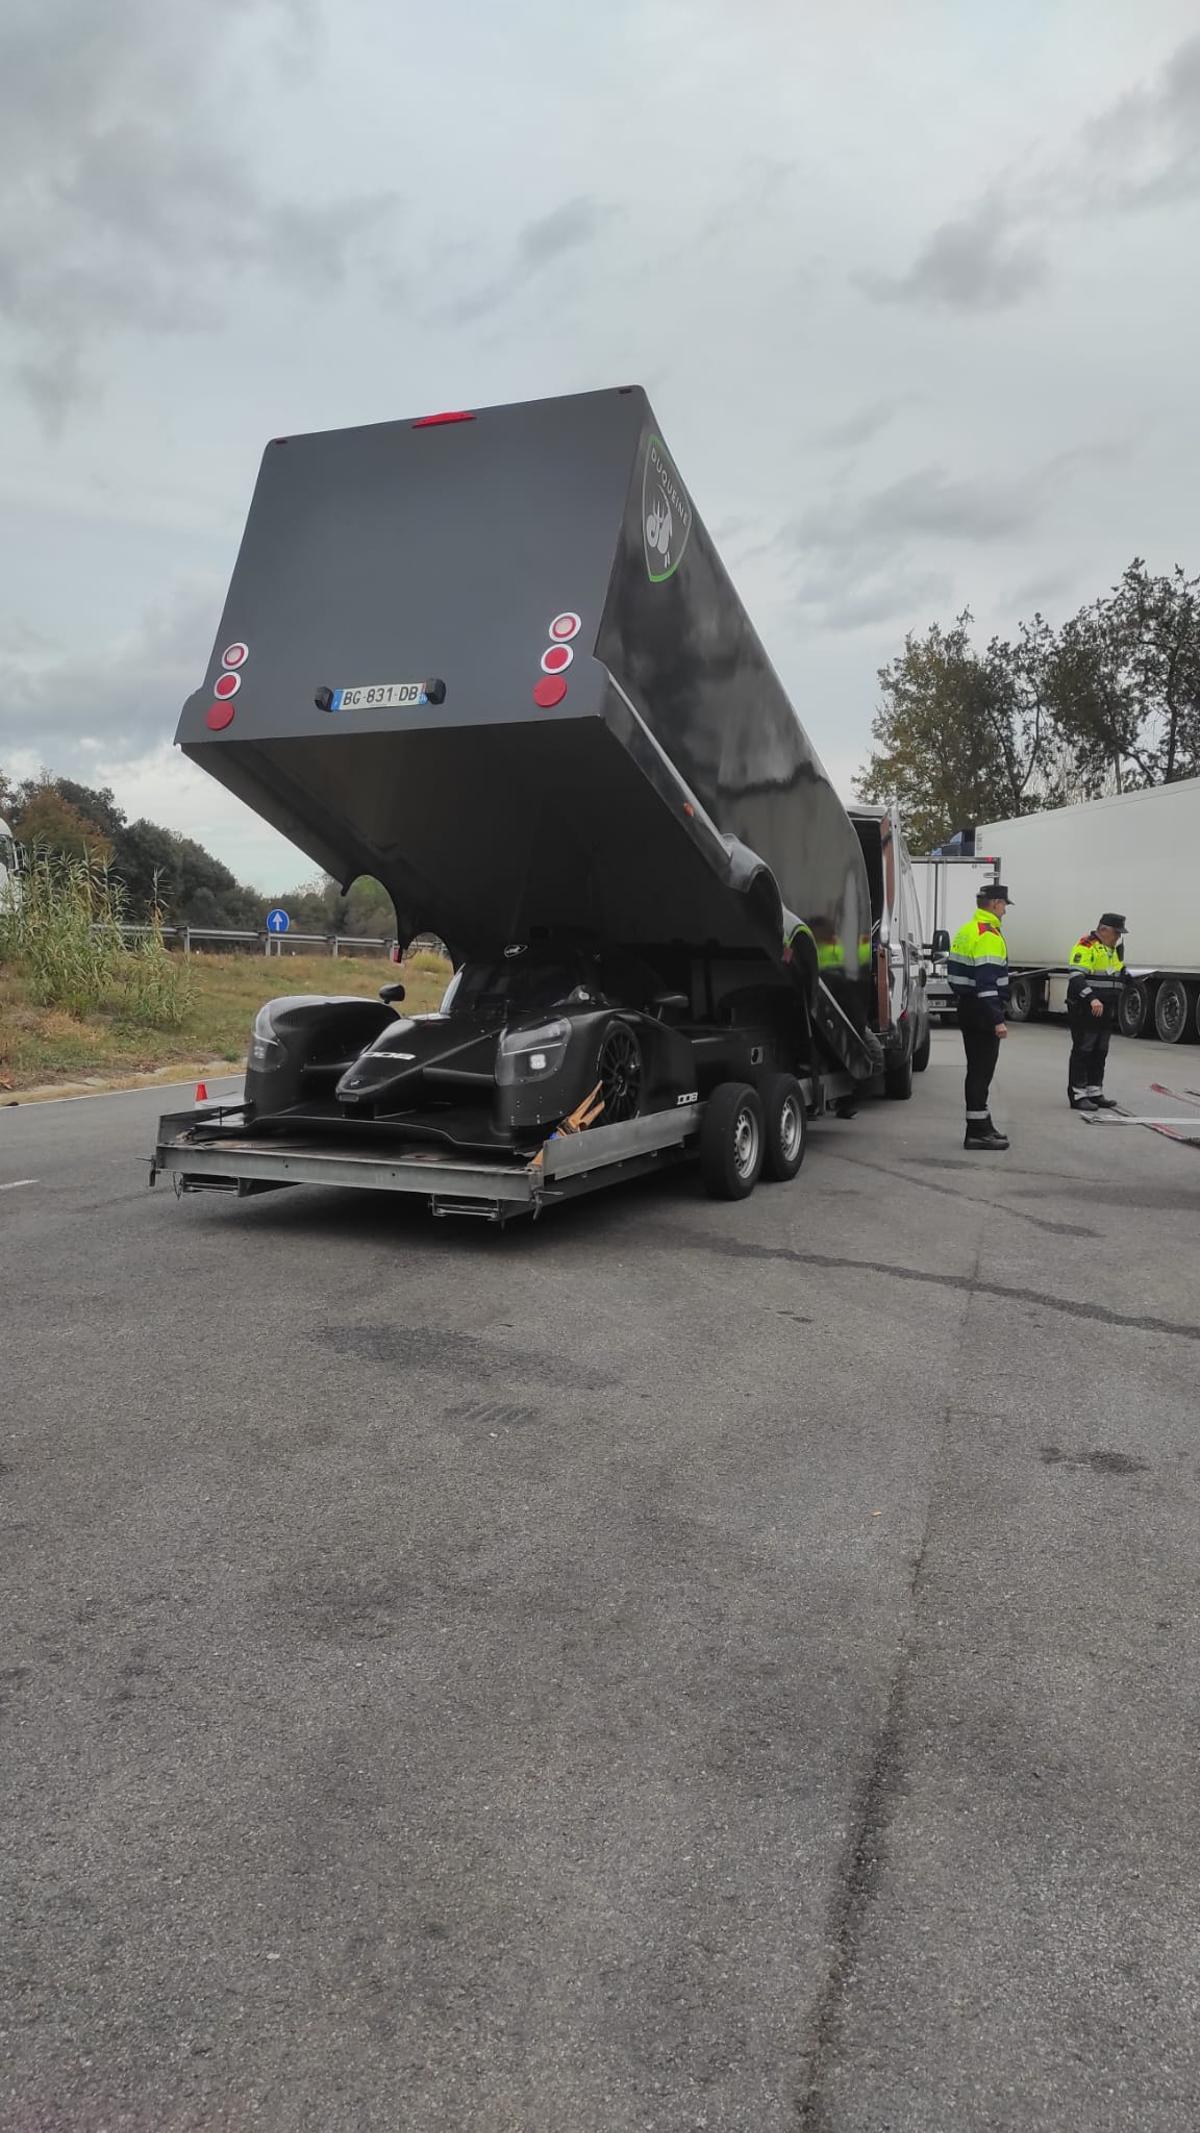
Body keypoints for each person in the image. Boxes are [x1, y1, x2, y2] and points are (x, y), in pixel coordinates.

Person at [948, 885, 1012, 1151]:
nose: (1006, 910)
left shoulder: (967, 930)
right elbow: (986, 983)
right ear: (995, 904)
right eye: (1004, 905)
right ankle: (976, 1133)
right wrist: (997, 1019)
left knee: (976, 1070)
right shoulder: (989, 935)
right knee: (981, 1072)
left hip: (968, 1007)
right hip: (982, 1011)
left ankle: (982, 1125)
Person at [1066, 912, 1127, 1112]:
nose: (1118, 937)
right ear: (1103, 930)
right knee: (1083, 1050)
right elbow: (1076, 977)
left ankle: (1094, 1091)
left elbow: (1117, 973)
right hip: (1086, 1008)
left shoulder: (1112, 950)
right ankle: (1078, 1093)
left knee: (1100, 1051)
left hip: (1106, 1008)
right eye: (1116, 933)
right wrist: (1092, 998)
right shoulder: (1086, 945)